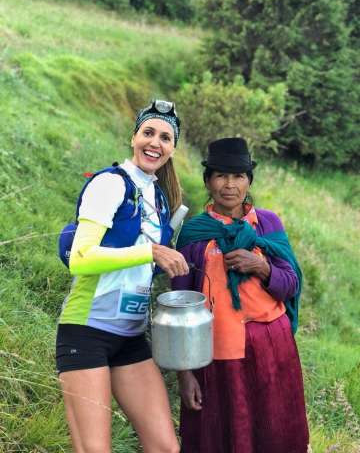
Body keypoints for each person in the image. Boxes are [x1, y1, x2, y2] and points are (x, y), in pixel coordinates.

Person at [56, 99, 189, 453]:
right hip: (87, 332)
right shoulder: (110, 184)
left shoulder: (159, 198)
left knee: (165, 447)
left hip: (130, 336)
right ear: (133, 137)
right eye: (148, 133)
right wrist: (150, 252)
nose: (155, 143)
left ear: (172, 149)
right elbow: (81, 259)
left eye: (164, 137)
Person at [172, 137, 309, 453]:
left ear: (249, 181)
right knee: (221, 436)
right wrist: (184, 375)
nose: (229, 185)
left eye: (237, 176)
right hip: (214, 354)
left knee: (274, 434)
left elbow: (291, 284)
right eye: (220, 175)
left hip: (272, 350)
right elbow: (180, 307)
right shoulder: (194, 235)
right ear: (208, 181)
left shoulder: (266, 224)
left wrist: (261, 267)